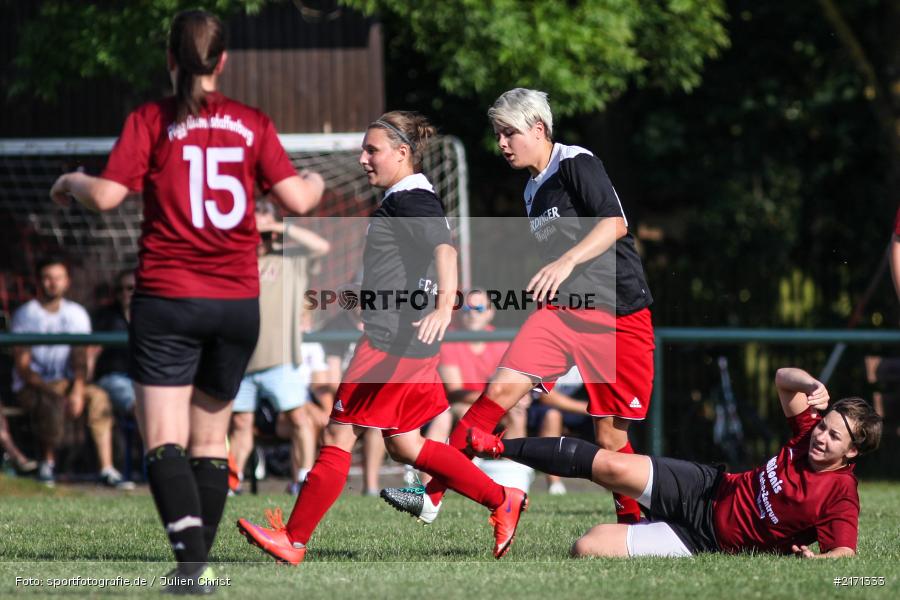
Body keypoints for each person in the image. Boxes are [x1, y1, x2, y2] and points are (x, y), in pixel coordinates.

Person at [48, 9, 323, 593]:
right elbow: (298, 200)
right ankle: (193, 567)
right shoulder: (251, 122)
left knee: (164, 441)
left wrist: (71, 180)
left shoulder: (152, 118)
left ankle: (193, 566)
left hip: (168, 299)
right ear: (223, 61)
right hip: (236, 303)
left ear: (170, 59)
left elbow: (105, 196)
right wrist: (317, 182)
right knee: (209, 442)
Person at [236, 111, 528, 565]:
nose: (362, 158)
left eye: (372, 150)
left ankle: (293, 540)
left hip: (393, 343)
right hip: (404, 339)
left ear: (402, 153)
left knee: (339, 433)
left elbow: (445, 251)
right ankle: (501, 498)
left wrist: (442, 305)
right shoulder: (407, 196)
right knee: (405, 444)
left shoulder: (410, 198)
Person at [382, 87, 654, 524]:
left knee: (609, 438)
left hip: (618, 316)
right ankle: (432, 495)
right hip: (564, 314)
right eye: (497, 135)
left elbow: (615, 224)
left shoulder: (575, 163)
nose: (502, 144)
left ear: (539, 128)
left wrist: (564, 263)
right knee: (494, 397)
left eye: (509, 133)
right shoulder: (531, 189)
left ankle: (634, 523)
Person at [467, 367, 882, 558]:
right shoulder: (807, 433)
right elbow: (781, 377)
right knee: (610, 465)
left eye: (833, 437)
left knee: (586, 547)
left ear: (851, 453)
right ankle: (496, 447)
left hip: (705, 542)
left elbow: (845, 556)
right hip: (707, 487)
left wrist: (821, 562)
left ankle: (651, 527)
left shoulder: (841, 495)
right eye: (824, 427)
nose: (821, 437)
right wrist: (812, 384)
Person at [230, 212, 330, 496]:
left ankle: (303, 481)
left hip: (281, 359)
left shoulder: (291, 260)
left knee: (299, 419)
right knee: (240, 424)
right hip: (242, 360)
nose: (261, 239)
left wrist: (275, 226)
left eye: (265, 234)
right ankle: (231, 482)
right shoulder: (235, 262)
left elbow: (321, 247)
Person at [11, 257, 122, 488]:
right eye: (47, 278)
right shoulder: (25, 314)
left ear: (67, 282)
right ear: (39, 281)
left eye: (58, 278)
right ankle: (47, 465)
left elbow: (80, 357)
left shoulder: (77, 314)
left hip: (69, 382)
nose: (53, 283)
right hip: (33, 385)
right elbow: (23, 367)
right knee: (51, 399)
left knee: (100, 399)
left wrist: (78, 391)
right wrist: (53, 390)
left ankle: (107, 469)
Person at [319, 302, 387, 496]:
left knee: (379, 423)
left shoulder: (383, 323)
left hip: (374, 395)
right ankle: (327, 486)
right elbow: (333, 379)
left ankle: (371, 486)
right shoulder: (336, 326)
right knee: (336, 429)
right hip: (341, 395)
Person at [526, 366, 591, 495]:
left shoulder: (587, 360)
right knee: (553, 416)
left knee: (606, 420)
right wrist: (590, 409)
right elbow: (545, 396)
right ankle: (554, 483)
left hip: (573, 409)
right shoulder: (548, 356)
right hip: (536, 408)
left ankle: (613, 479)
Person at [91, 269, 137, 417]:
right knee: (137, 405)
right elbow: (92, 350)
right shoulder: (104, 316)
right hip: (113, 376)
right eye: (119, 289)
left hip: (144, 376)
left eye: (130, 288)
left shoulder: (152, 316)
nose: (125, 293)